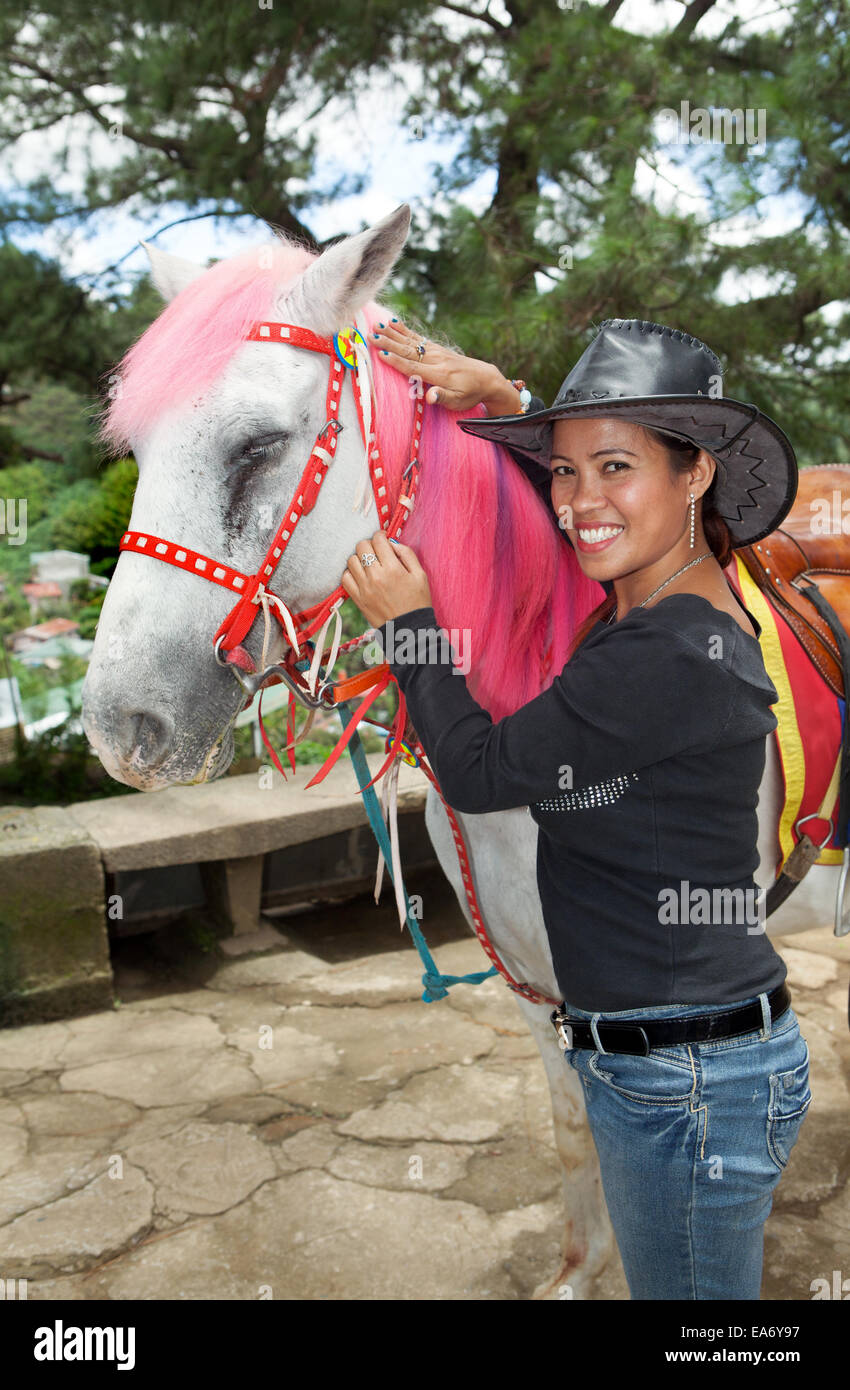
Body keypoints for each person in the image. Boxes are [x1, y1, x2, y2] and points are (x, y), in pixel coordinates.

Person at [339, 316, 812, 1301]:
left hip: (685, 1081)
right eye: (561, 473)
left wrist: (412, 628)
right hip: (682, 1059)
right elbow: (594, 507)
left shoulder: (660, 654)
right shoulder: (674, 597)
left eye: (613, 469)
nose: (578, 502)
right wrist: (510, 403)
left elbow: (472, 769)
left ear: (696, 477)